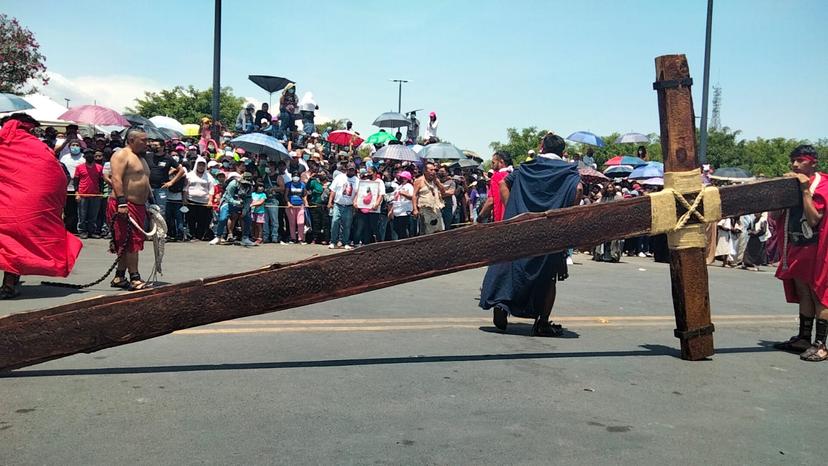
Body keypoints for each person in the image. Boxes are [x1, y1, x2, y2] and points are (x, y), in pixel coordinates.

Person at [480, 133, 582, 336]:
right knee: (548, 276)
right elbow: (578, 190)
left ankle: (501, 305)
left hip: (521, 225)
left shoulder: (527, 167)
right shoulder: (569, 172)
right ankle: (542, 322)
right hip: (550, 231)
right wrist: (567, 215)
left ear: (542, 149)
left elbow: (503, 185)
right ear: (563, 153)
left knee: (510, 266)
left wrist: (514, 210)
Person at [0, 114, 83, 299]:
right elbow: (58, 177)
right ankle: (9, 284)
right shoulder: (39, 147)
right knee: (18, 242)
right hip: (27, 208)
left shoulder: (4, 143)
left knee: (9, 242)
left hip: (7, 202)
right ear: (30, 128)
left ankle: (9, 284)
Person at [773, 145, 828, 361]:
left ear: (812, 162)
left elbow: (814, 219)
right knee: (804, 292)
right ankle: (804, 338)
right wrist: (781, 191)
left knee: (820, 295)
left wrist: (805, 190)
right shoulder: (791, 183)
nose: (795, 165)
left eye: (800, 160)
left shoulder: (822, 185)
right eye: (793, 160)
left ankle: (821, 344)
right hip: (796, 245)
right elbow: (776, 215)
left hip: (818, 249)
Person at [107, 127, 152, 291]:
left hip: (139, 206)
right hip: (125, 204)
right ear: (132, 140)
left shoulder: (141, 158)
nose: (147, 143)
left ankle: (119, 276)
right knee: (131, 242)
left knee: (128, 242)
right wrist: (121, 202)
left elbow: (146, 181)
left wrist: (151, 201)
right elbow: (116, 179)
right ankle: (135, 278)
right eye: (144, 140)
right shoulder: (121, 155)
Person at [73, 148, 104, 239]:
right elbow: (76, 181)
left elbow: (101, 181)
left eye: (91, 154)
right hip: (83, 194)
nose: (89, 156)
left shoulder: (99, 167)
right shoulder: (79, 167)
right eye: (87, 154)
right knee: (82, 215)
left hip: (95, 194)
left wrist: (101, 192)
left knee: (93, 215)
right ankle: (82, 231)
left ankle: (92, 231)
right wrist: (77, 193)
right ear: (84, 156)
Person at [184, 157, 215, 241]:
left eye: (203, 165)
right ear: (196, 165)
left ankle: (199, 235)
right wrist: (184, 199)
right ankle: (192, 235)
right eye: (199, 165)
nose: (201, 167)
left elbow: (211, 190)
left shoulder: (209, 177)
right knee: (191, 219)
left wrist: (210, 201)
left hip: (204, 202)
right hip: (191, 201)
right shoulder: (190, 175)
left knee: (202, 220)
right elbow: (185, 188)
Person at [328, 163, 358, 249]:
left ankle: (345, 242)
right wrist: (330, 202)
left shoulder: (357, 180)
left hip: (349, 206)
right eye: (349, 169)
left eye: (352, 169)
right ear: (346, 169)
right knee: (335, 222)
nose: (351, 171)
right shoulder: (339, 177)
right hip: (338, 204)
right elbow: (333, 190)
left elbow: (357, 193)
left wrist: (355, 202)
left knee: (347, 225)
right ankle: (333, 241)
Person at [476, 151, 512, 223]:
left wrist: (480, 217)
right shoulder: (513, 174)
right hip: (515, 216)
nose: (491, 166)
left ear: (501, 162)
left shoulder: (496, 177)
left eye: (493, 163)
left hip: (501, 219)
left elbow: (491, 201)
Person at [412, 162, 447, 234]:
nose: (433, 172)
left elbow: (443, 191)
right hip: (425, 210)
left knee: (439, 230)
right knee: (429, 230)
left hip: (436, 209)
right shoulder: (419, 181)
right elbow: (414, 195)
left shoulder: (435, 180)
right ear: (425, 171)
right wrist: (415, 209)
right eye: (431, 170)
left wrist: (437, 182)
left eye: (434, 170)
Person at [60, 139, 85, 233]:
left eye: (77, 145)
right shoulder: (64, 157)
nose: (75, 147)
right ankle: (67, 228)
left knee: (78, 210)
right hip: (66, 187)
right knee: (67, 209)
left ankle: (76, 228)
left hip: (79, 187)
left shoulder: (83, 158)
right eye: (73, 145)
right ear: (69, 146)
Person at [262, 160, 284, 244]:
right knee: (265, 220)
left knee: (274, 220)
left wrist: (273, 189)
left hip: (274, 200)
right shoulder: (265, 176)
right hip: (265, 199)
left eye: (269, 166)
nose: (268, 168)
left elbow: (282, 188)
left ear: (273, 167)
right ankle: (265, 236)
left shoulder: (278, 177)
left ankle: (274, 236)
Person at [284, 172, 308, 244]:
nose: (296, 177)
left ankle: (301, 238)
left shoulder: (302, 184)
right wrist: (288, 203)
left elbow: (304, 195)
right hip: (291, 206)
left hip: (300, 205)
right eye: (294, 176)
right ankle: (293, 238)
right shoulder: (289, 184)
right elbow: (286, 195)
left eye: (297, 176)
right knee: (292, 223)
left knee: (300, 222)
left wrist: (306, 202)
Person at [391, 170, 415, 239]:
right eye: (401, 178)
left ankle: (404, 241)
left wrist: (403, 193)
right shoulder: (399, 186)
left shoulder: (409, 186)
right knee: (396, 227)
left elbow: (411, 197)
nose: (402, 179)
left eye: (404, 178)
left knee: (403, 228)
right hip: (398, 209)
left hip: (405, 210)